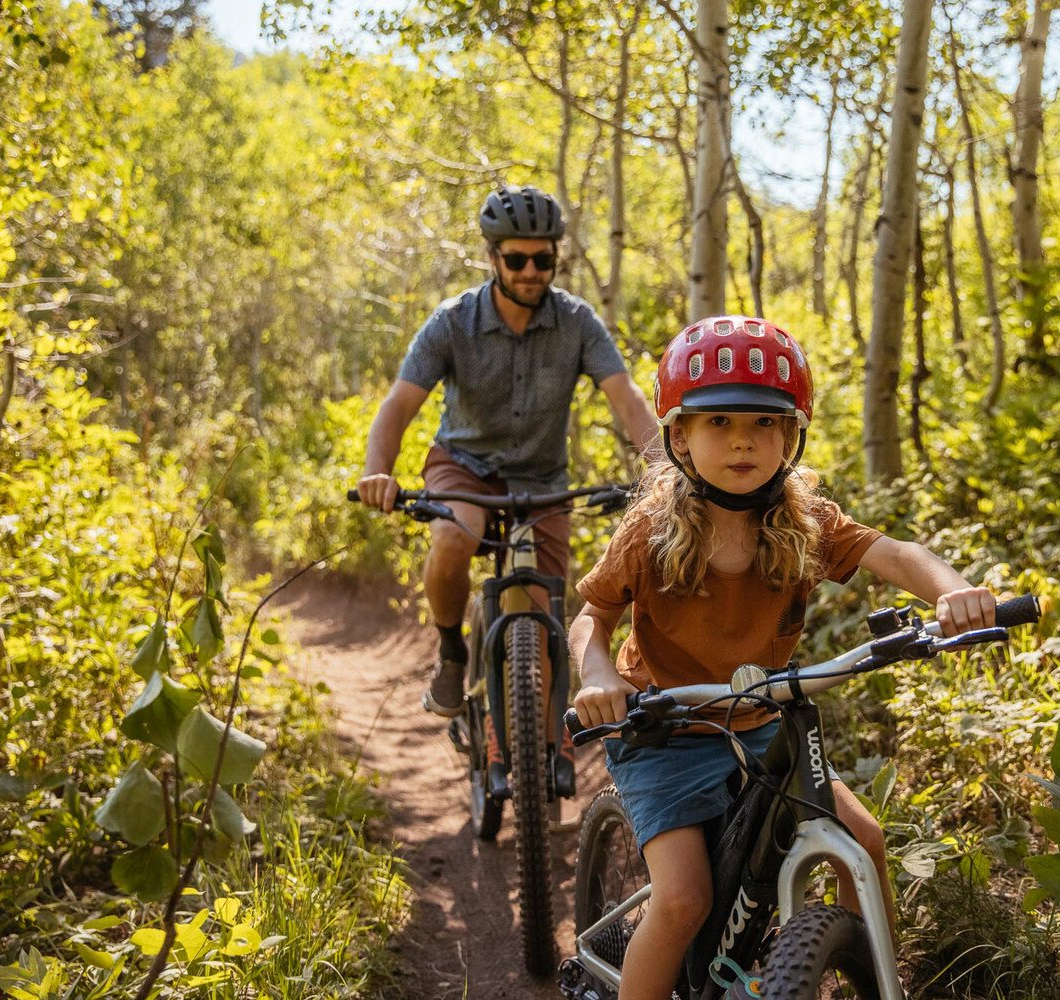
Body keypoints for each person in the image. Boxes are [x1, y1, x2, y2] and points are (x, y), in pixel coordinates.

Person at [570, 315, 997, 1000]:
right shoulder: (650, 531)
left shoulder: (804, 522)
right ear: (678, 435)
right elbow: (592, 616)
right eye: (719, 423)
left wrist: (953, 591)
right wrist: (596, 678)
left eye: (765, 424)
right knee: (683, 900)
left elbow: (894, 554)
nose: (743, 439)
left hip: (763, 721)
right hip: (665, 730)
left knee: (862, 841)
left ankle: (874, 976)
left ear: (792, 435)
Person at [356, 184, 659, 797]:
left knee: (546, 607)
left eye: (541, 260)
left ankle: (546, 734)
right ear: (493, 257)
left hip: (541, 479)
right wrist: (378, 470)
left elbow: (626, 399)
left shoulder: (576, 322)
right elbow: (398, 406)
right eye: (516, 259)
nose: (529, 272)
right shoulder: (452, 321)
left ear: (555, 260)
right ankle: (450, 654)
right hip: (464, 464)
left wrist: (664, 467)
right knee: (453, 535)